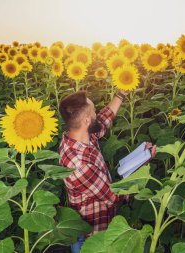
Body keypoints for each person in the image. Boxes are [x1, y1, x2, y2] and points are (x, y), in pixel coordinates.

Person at [58, 90, 157, 253]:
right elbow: (113, 196)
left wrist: (120, 95)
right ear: (86, 120)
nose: (97, 112)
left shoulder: (78, 135)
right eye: (93, 110)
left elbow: (102, 122)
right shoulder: (78, 163)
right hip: (91, 237)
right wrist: (144, 160)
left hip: (100, 225)